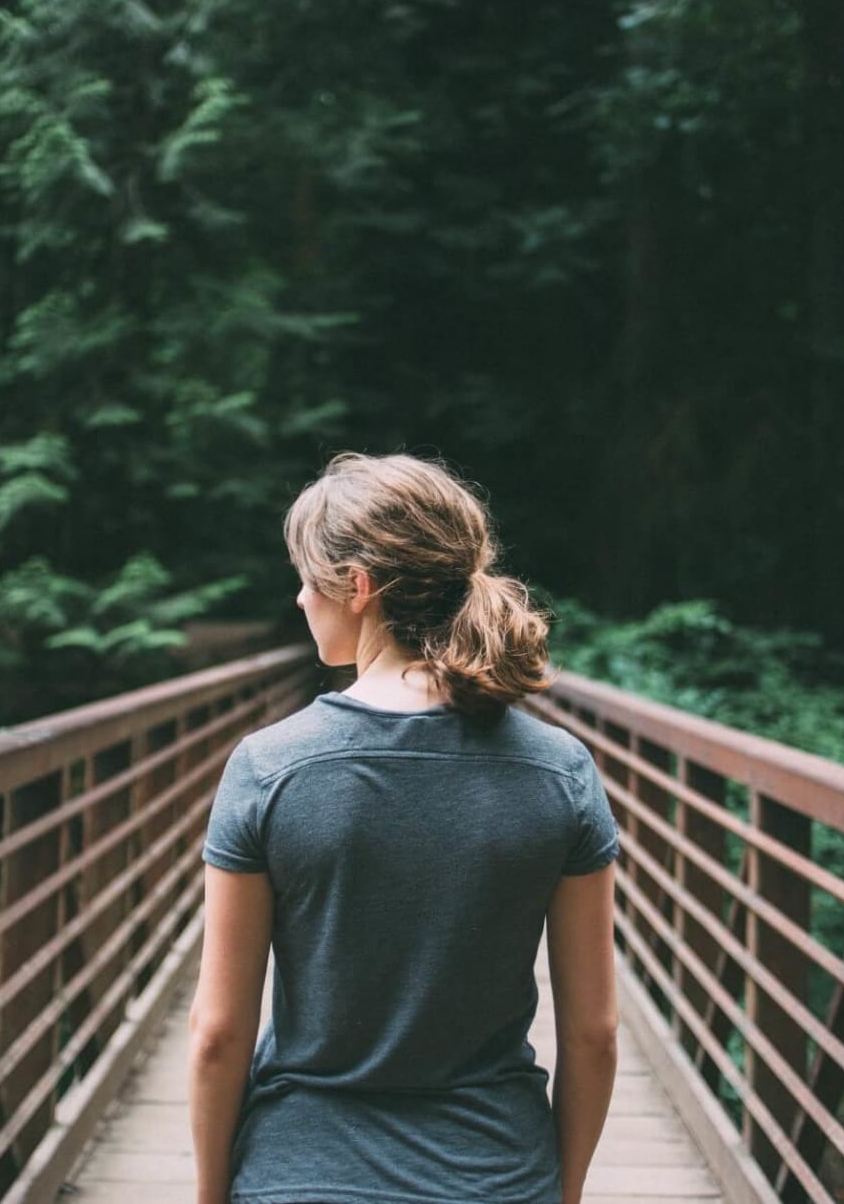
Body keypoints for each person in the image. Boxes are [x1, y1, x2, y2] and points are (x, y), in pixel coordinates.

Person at [188, 451, 620, 1204]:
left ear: (355, 586)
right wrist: (562, 1189)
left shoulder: (269, 767)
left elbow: (219, 1031)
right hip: (496, 1174)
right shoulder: (559, 771)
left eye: (305, 577)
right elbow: (594, 1034)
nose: (297, 599)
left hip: (302, 1175)